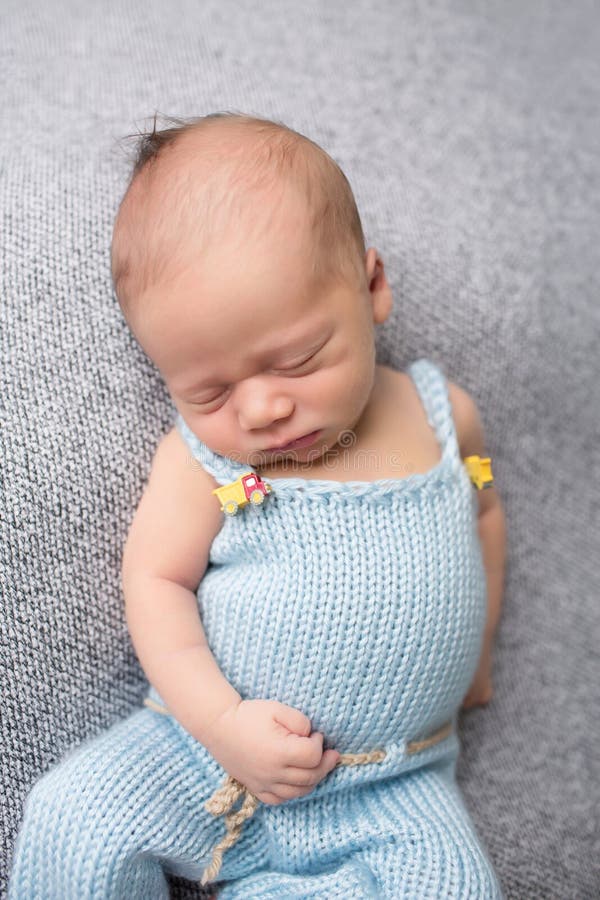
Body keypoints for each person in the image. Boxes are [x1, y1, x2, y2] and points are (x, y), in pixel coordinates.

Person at [8, 111, 506, 898]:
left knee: (457, 888)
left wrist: (477, 651)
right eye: (210, 392)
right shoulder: (203, 465)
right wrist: (222, 725)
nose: (264, 410)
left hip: (394, 784)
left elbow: (482, 510)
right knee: (76, 815)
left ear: (372, 288)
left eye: (298, 359)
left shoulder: (450, 423)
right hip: (202, 757)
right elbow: (157, 582)